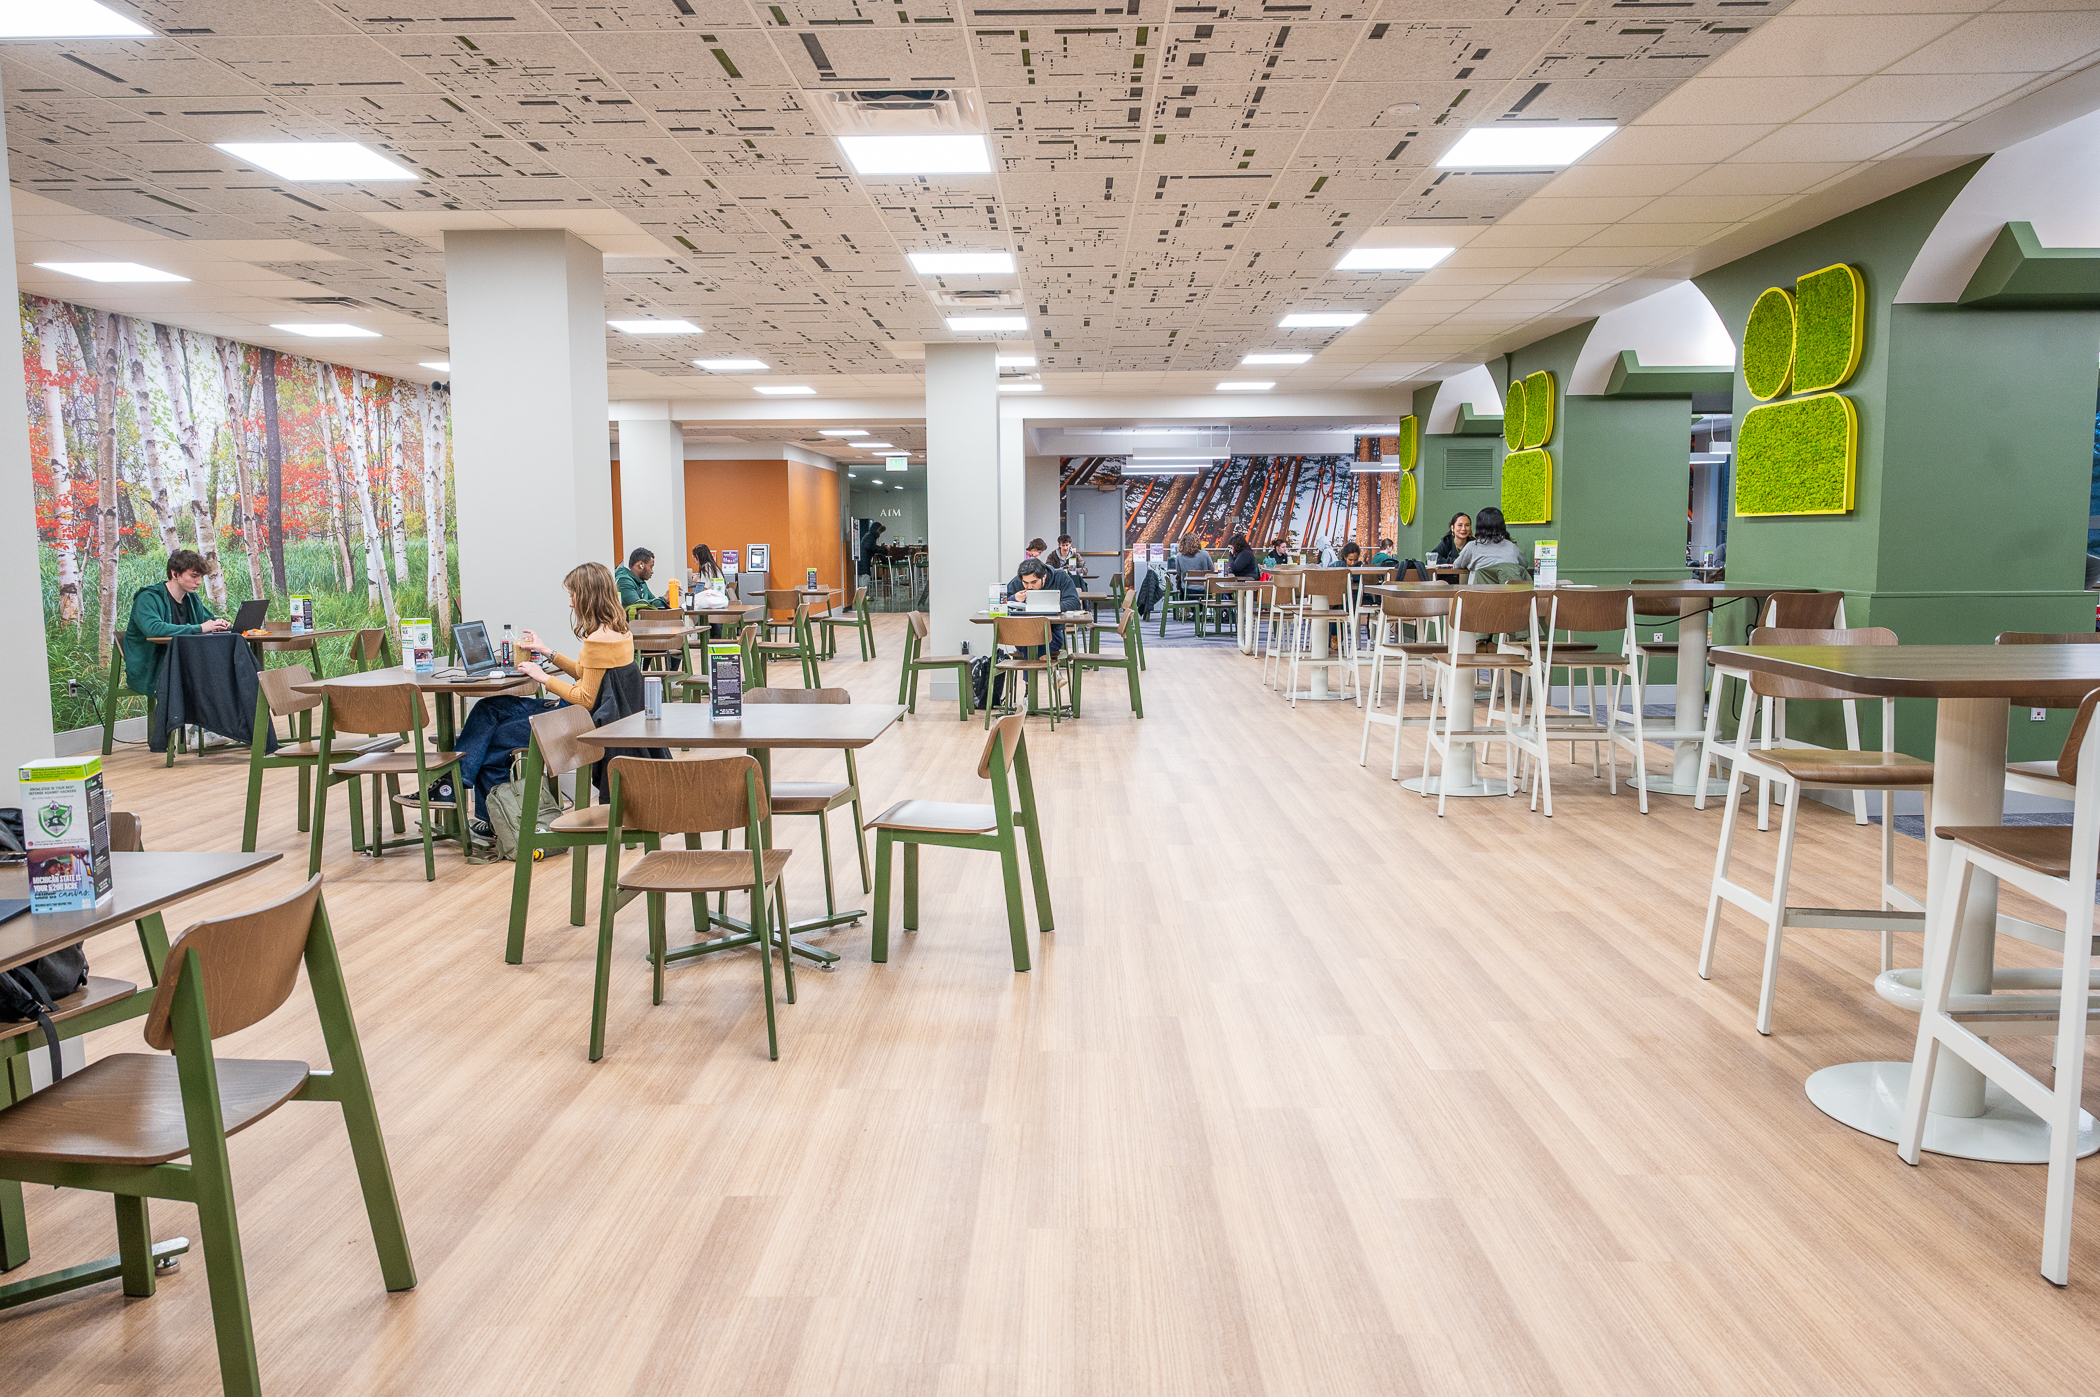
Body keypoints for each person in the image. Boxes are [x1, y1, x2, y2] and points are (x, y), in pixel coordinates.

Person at [121, 548, 232, 699]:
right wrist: (200, 628)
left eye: (200, 577)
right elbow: (154, 629)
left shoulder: (191, 598)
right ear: (175, 574)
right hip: (151, 669)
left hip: (181, 664)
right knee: (215, 680)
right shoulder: (148, 598)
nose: (198, 582)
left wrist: (219, 624)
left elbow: (207, 621)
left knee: (227, 673)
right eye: (193, 576)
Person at [1001, 556, 1083, 657]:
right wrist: (1014, 598)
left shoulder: (1060, 577)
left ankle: (1034, 667)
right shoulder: (1019, 580)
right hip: (1023, 632)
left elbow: (1074, 602)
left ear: (1044, 577)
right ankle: (1042, 666)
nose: (1029, 587)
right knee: (1029, 643)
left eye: (1034, 582)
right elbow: (1000, 603)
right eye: (1025, 583)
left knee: (1031, 646)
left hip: (1052, 633)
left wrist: (1047, 607)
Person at [1453, 506, 1524, 580]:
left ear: (1478, 526)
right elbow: (1524, 564)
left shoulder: (1472, 546)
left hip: (1480, 591)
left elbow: (1457, 565)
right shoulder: (1511, 546)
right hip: (1509, 591)